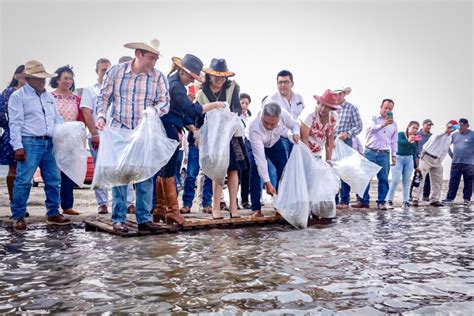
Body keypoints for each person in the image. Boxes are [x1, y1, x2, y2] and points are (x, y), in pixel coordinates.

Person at [96, 39, 169, 233]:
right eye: (150, 58)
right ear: (138, 54)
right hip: (119, 130)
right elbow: (103, 97)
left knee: (145, 175)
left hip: (144, 132)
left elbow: (165, 102)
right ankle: (118, 218)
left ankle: (144, 219)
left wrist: (153, 111)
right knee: (120, 175)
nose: (153, 62)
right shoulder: (116, 72)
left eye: (155, 59)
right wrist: (102, 116)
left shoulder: (158, 77)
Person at [153, 54, 225, 225]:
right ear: (183, 72)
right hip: (168, 128)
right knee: (168, 171)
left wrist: (192, 128)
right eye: (191, 78)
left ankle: (159, 209)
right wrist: (215, 105)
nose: (192, 82)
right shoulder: (176, 87)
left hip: (169, 126)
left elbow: (181, 112)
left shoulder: (173, 83)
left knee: (164, 170)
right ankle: (172, 210)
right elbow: (192, 110)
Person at [8, 60, 71, 231]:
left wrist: (64, 133)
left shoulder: (48, 96)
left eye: (43, 78)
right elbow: (15, 123)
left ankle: (53, 213)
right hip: (29, 141)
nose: (43, 81)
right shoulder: (18, 96)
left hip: (49, 141)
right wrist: (18, 147)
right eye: (39, 78)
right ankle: (18, 216)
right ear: (28, 79)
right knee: (23, 181)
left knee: (53, 180)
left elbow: (56, 119)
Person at [196, 58, 247, 220]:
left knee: (233, 169)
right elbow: (198, 115)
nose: (219, 79)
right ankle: (215, 207)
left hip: (232, 134)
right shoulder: (201, 93)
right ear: (209, 76)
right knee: (218, 169)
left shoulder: (233, 88)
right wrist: (197, 133)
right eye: (216, 76)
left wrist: (232, 115)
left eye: (222, 76)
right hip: (214, 136)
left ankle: (233, 206)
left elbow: (238, 107)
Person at [248, 102, 301, 217]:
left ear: (279, 117)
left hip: (275, 142)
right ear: (262, 116)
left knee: (284, 169)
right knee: (255, 171)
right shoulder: (254, 127)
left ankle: (280, 205)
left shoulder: (284, 115)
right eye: (266, 123)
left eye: (273, 124)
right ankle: (256, 207)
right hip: (256, 144)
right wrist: (267, 183)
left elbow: (295, 125)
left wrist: (296, 133)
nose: (269, 127)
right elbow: (261, 161)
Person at [352, 99, 398, 210]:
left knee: (383, 179)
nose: (387, 110)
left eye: (389, 109)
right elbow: (369, 129)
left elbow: (394, 141)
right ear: (381, 107)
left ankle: (381, 202)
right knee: (365, 178)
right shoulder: (373, 118)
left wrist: (394, 155)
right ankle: (363, 201)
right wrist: (382, 125)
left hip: (384, 154)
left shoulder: (394, 124)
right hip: (370, 152)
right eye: (385, 108)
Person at [50, 65, 83, 216]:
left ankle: (67, 205)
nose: (68, 81)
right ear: (57, 80)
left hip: (71, 142)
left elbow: (81, 119)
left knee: (68, 174)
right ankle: (53, 208)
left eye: (70, 78)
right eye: (65, 78)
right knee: (53, 175)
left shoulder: (76, 99)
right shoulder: (50, 97)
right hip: (54, 140)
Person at [80, 58, 111, 214]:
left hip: (114, 137)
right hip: (97, 135)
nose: (106, 73)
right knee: (99, 170)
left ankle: (128, 203)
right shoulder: (90, 90)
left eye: (108, 70)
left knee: (121, 169)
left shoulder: (115, 88)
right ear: (97, 71)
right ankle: (102, 203)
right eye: (103, 70)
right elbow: (86, 112)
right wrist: (94, 134)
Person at [412, 120, 457, 207]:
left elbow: (445, 150)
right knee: (420, 177)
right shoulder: (439, 133)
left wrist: (440, 160)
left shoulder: (450, 138)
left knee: (438, 181)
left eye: (454, 127)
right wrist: (445, 131)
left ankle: (434, 199)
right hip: (426, 157)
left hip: (437, 160)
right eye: (450, 126)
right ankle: (415, 198)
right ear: (447, 125)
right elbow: (435, 137)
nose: (452, 128)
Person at [332, 86, 363, 209]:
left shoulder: (352, 108)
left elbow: (359, 126)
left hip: (346, 142)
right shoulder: (330, 108)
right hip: (331, 143)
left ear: (344, 94)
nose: (337, 96)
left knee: (345, 171)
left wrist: (348, 134)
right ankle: (333, 199)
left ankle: (344, 201)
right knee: (332, 171)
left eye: (340, 94)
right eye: (335, 94)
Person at [1, 65, 25, 205]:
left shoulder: (32, 92)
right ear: (17, 76)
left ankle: (21, 201)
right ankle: (13, 200)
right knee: (14, 168)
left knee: (24, 171)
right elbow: (2, 112)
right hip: (12, 133)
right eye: (22, 75)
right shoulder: (9, 92)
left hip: (29, 133)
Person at [268, 70, 305, 157]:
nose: (283, 85)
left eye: (286, 82)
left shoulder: (299, 98)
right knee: (283, 167)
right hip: (280, 139)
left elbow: (302, 118)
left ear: (292, 83)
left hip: (298, 138)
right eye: (280, 82)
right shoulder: (272, 100)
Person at [387, 121, 420, 208]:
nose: (415, 130)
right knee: (395, 180)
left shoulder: (415, 138)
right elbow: (398, 142)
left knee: (406, 182)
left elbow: (414, 152)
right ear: (408, 127)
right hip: (398, 158)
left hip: (409, 160)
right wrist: (408, 141)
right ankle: (389, 200)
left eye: (417, 128)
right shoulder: (401, 134)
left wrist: (416, 167)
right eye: (413, 127)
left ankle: (405, 201)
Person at [300, 89, 340, 161]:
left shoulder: (334, 118)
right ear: (318, 103)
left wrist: (329, 160)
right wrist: (310, 159)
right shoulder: (310, 115)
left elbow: (330, 139)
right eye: (322, 105)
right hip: (303, 151)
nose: (323, 109)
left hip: (318, 153)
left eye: (327, 107)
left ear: (332, 108)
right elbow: (304, 139)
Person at [443, 118, 473, 206]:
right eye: (459, 125)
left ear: (467, 125)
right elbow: (447, 145)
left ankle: (467, 199)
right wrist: (452, 156)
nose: (460, 127)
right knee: (453, 181)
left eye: (463, 125)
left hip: (469, 164)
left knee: (468, 182)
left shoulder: (472, 134)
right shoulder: (454, 135)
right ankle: (450, 198)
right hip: (456, 162)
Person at [409, 119, 433, 201]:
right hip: (417, 158)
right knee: (417, 176)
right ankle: (411, 196)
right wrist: (415, 158)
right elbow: (413, 146)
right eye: (427, 125)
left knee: (428, 177)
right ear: (423, 125)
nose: (428, 127)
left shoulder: (431, 136)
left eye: (430, 125)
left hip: (428, 159)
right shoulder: (417, 134)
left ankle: (425, 196)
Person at [239, 92, 252, 209]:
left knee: (246, 174)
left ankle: (245, 200)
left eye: (246, 103)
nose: (244, 105)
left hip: (247, 147)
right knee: (235, 174)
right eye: (242, 102)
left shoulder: (250, 118)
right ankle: (234, 201)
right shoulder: (235, 116)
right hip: (237, 146)